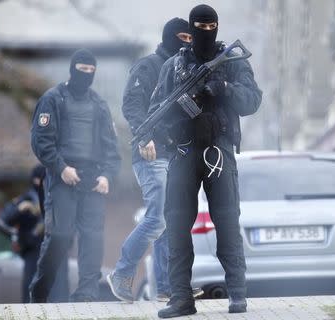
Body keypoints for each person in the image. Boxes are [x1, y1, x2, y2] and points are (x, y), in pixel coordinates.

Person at [146, 4, 262, 318]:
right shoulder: (174, 66)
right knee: (177, 226)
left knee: (226, 223)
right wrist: (177, 118)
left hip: (220, 152)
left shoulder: (232, 62)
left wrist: (223, 88)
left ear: (218, 27)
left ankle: (238, 295)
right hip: (184, 152)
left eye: (210, 26)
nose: (205, 31)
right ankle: (182, 298)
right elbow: (157, 110)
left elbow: (253, 100)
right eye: (199, 26)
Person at [106, 17, 195, 303]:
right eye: (183, 36)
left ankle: (168, 287)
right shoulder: (148, 66)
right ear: (170, 36)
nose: (188, 42)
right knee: (157, 218)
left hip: (175, 154)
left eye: (191, 38)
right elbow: (132, 105)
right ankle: (121, 273)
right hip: (151, 152)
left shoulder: (186, 70)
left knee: (170, 221)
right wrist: (145, 138)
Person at [29, 49, 121, 303]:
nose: (87, 76)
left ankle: (86, 295)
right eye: (83, 71)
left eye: (92, 72)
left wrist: (107, 177)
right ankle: (40, 291)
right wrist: (61, 168)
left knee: (92, 237)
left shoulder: (99, 105)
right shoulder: (53, 99)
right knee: (60, 236)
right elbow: (41, 141)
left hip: (93, 180)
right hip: (63, 179)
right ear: (72, 70)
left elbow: (111, 148)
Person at [0, 165, 69, 302]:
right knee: (31, 294)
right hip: (33, 252)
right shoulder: (26, 199)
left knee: (58, 294)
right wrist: (20, 210)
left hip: (56, 252)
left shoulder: (60, 197)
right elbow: (6, 218)